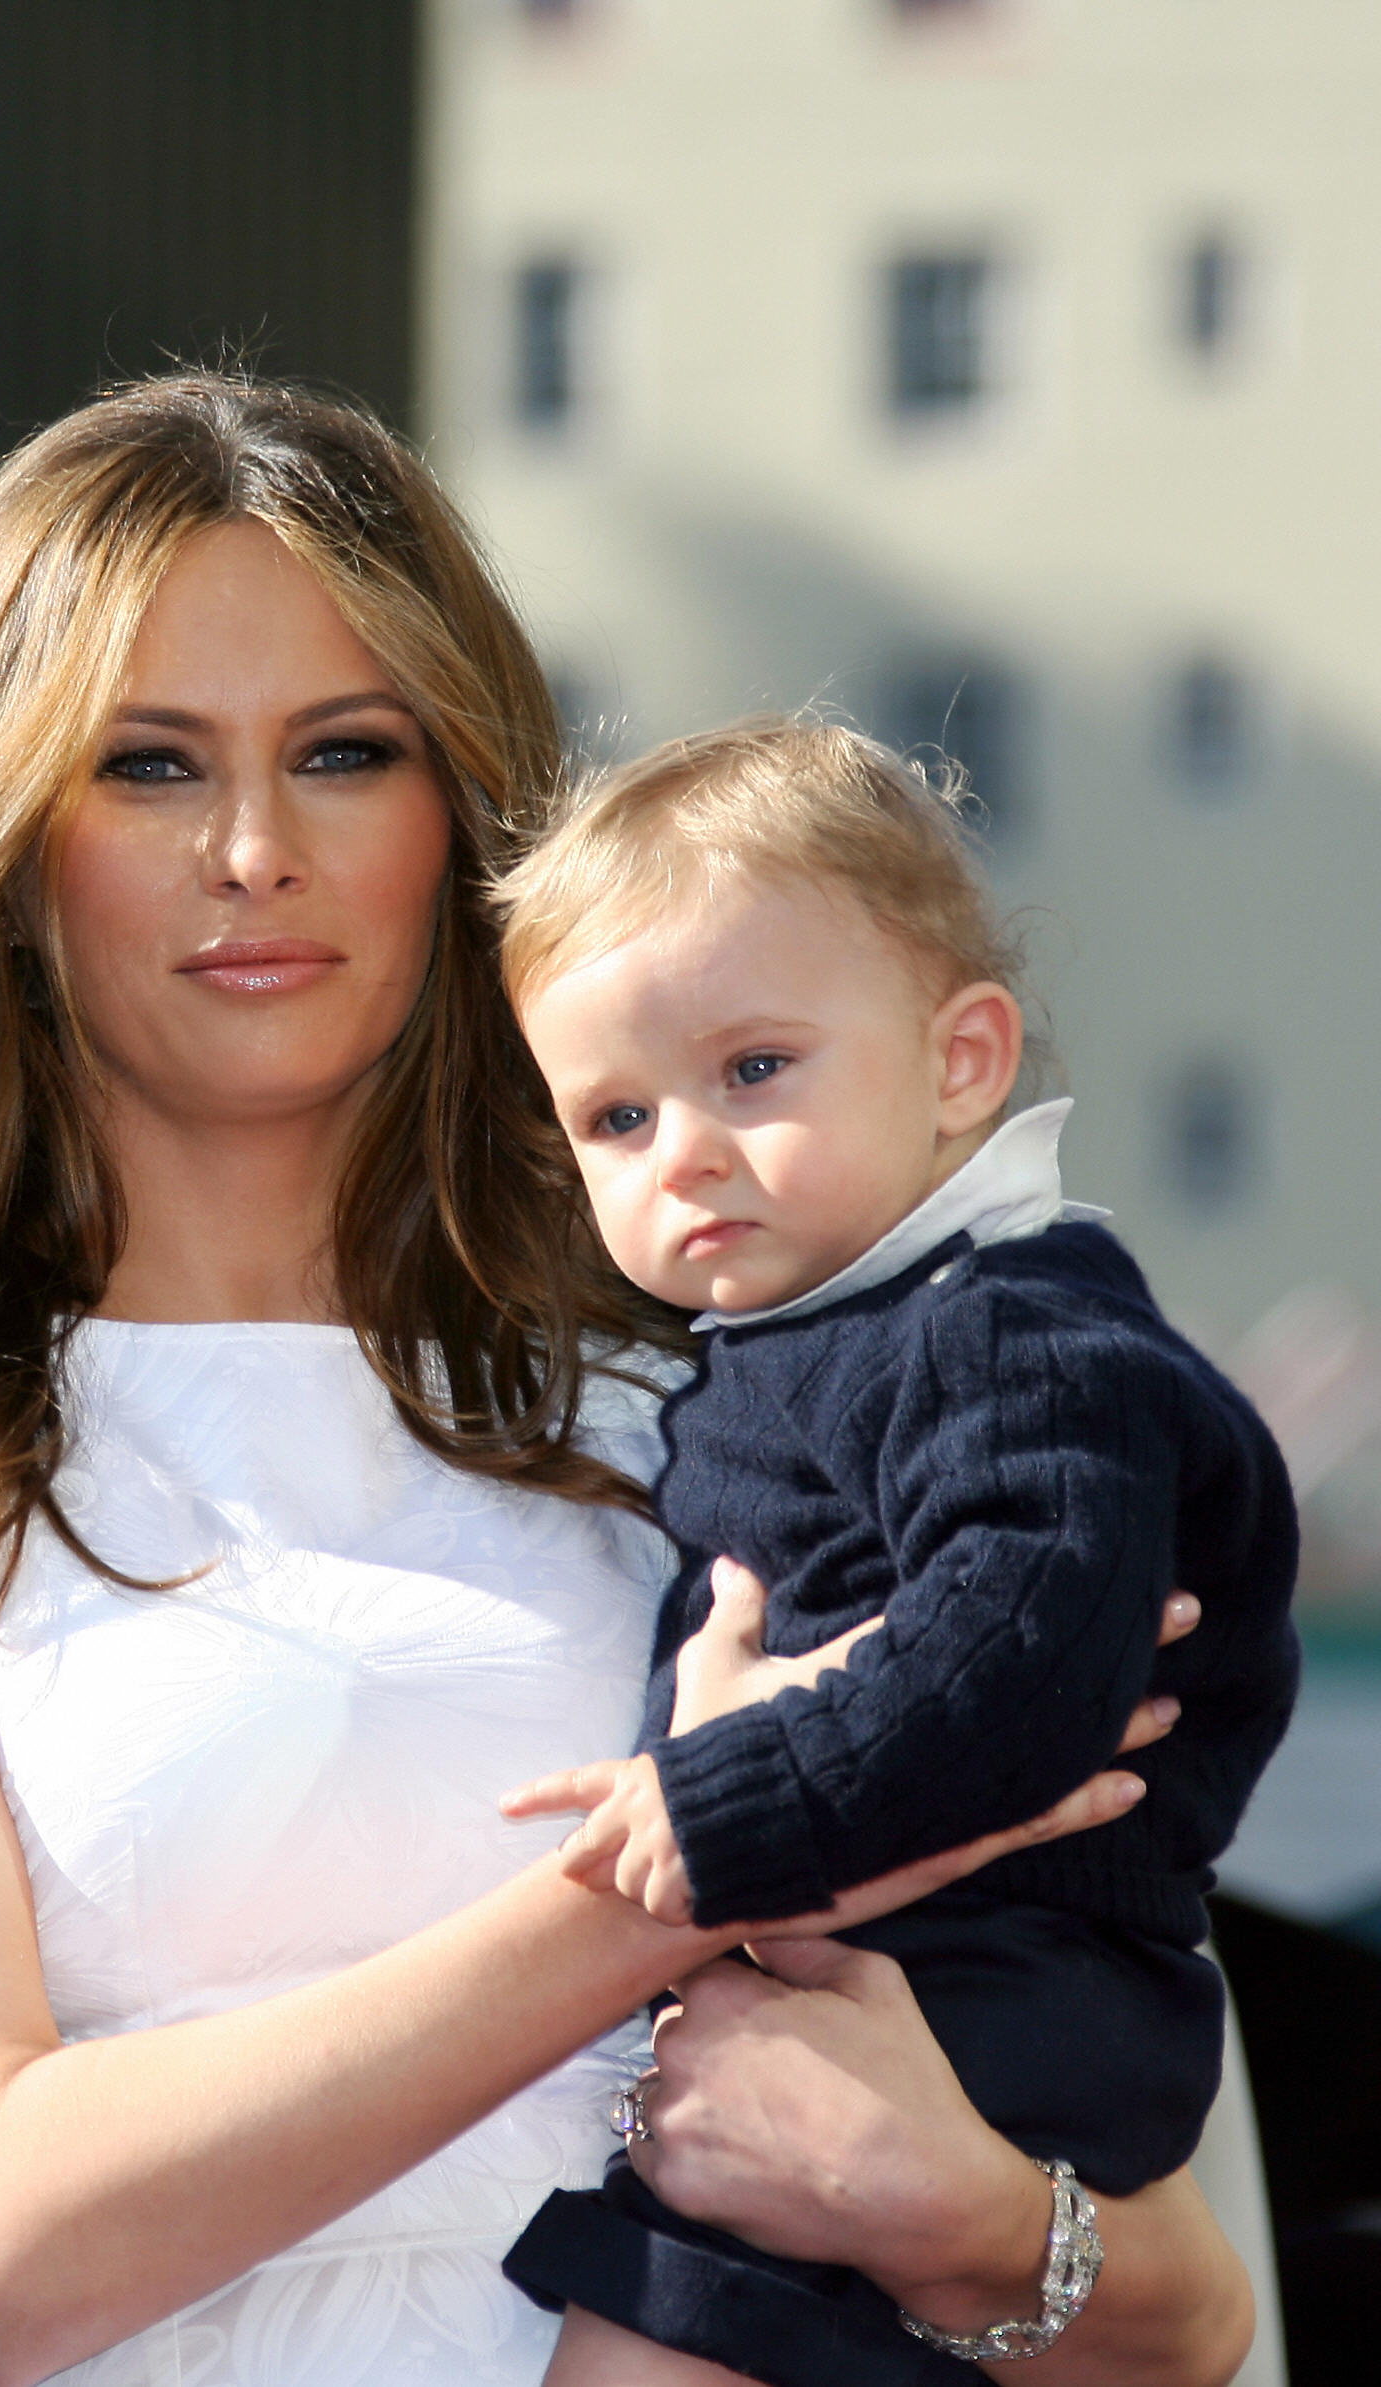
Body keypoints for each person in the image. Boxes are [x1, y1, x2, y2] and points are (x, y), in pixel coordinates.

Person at [0, 373, 1257, 2387]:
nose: (254, 849)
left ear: (461, 812)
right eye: (146, 767)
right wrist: (705, 1857)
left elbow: (1188, 2319)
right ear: (0, 838)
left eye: (344, 753)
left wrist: (968, 2219)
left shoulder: (735, 1370)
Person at [484, 719, 1299, 2385]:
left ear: (961, 1063)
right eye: (617, 1118)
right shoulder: (814, 1327)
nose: (687, 1151)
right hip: (915, 1970)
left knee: (650, 2346)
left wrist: (722, 1809)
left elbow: (1028, 1649)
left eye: (755, 1071)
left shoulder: (1012, 1334)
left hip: (1015, 1978)